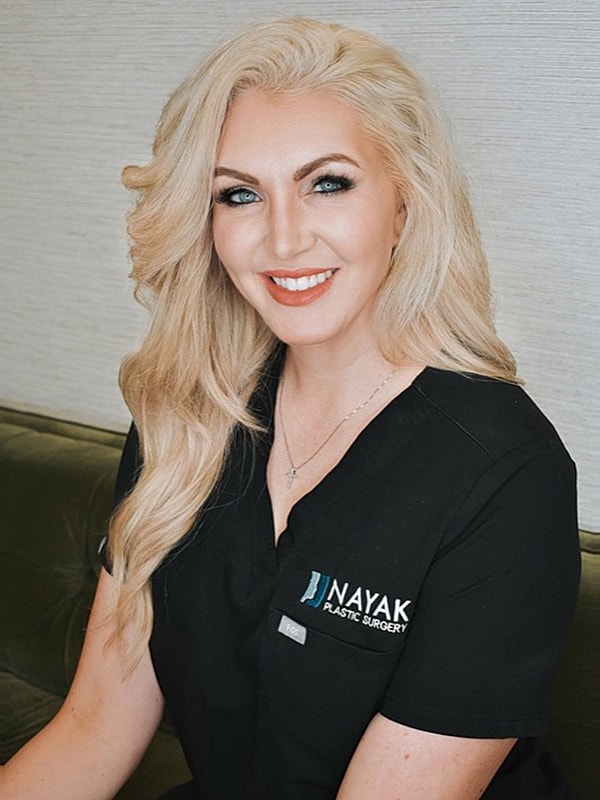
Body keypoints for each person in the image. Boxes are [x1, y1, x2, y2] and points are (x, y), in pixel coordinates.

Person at [0, 16, 580, 800]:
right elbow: (93, 732)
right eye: (239, 195)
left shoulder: (506, 474)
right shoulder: (187, 419)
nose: (282, 239)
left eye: (327, 183)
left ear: (405, 205)